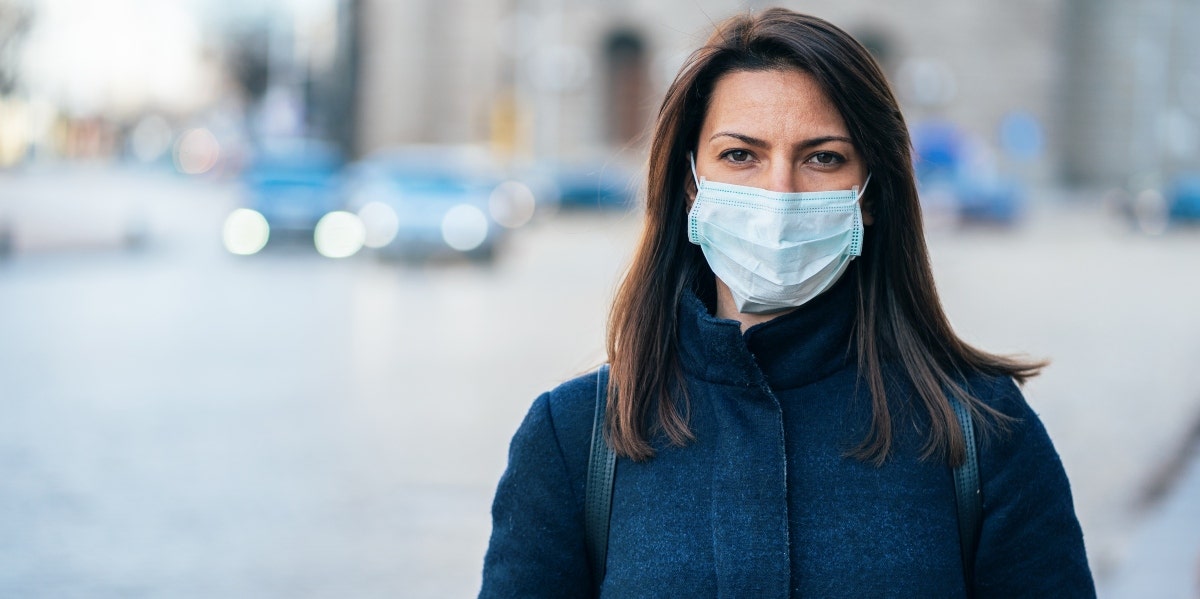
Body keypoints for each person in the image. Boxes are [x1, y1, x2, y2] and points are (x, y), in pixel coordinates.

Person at [480, 8, 1094, 597]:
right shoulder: (574, 438)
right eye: (740, 155)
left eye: (823, 158)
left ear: (872, 194)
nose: (780, 192)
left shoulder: (982, 434)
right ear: (691, 185)